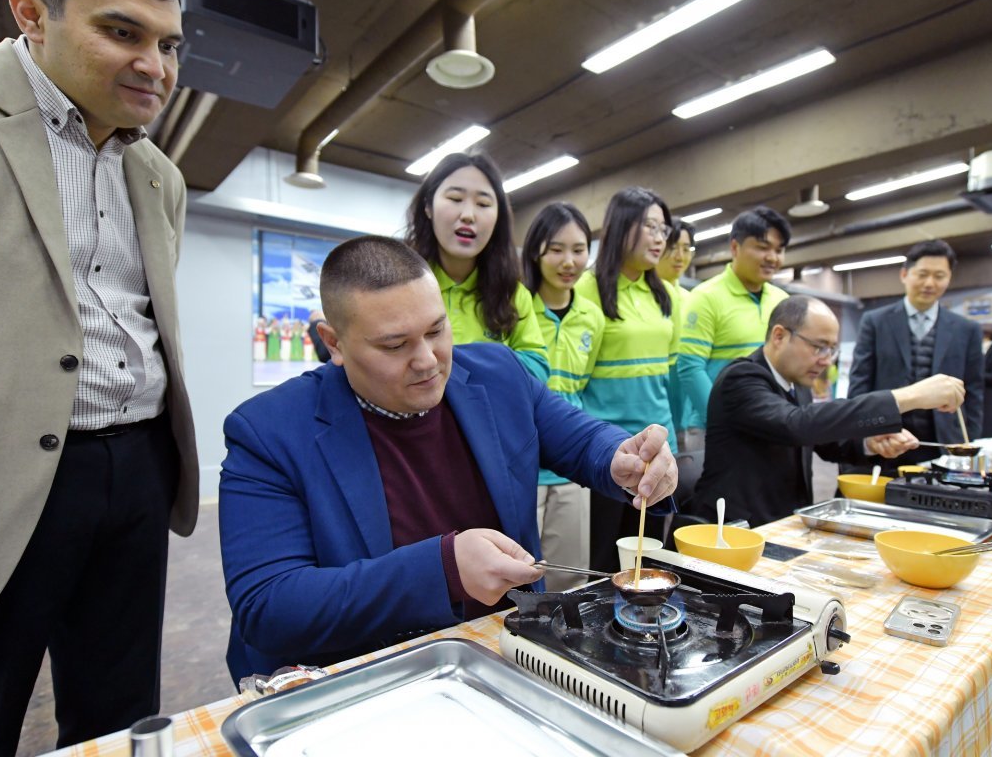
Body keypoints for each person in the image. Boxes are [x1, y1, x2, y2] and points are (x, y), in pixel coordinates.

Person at [0, 0, 199, 754]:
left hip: (136, 470)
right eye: (121, 32)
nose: (156, 66)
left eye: (170, 44)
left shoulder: (159, 175)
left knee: (117, 714)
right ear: (32, 13)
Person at [218, 236, 677, 680]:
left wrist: (623, 456)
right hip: (369, 673)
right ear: (334, 343)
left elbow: (582, 440)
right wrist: (442, 569)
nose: (427, 361)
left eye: (436, 330)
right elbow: (269, 606)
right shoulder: (269, 432)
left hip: (504, 651)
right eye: (394, 346)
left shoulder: (498, 375)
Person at [692, 297, 966, 526]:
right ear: (779, 336)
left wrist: (869, 443)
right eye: (818, 347)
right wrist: (909, 396)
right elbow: (796, 425)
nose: (825, 360)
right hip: (736, 528)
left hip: (785, 521)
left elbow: (820, 438)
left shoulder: (795, 382)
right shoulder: (740, 378)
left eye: (831, 350)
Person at [575, 186, 680, 572]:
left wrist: (676, 435)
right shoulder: (585, 290)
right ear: (621, 227)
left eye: (664, 229)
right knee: (604, 558)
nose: (659, 237)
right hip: (607, 449)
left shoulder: (668, 295)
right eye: (649, 226)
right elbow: (576, 381)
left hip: (656, 448)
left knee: (649, 557)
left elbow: (668, 377)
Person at [520, 202, 606, 591]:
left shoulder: (592, 316)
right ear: (535, 251)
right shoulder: (516, 308)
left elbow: (582, 382)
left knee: (569, 578)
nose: (568, 261)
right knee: (517, 576)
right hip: (521, 463)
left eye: (579, 249)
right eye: (556, 249)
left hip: (570, 467)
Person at [405, 152, 549, 380]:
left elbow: (537, 367)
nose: (468, 215)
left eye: (483, 203)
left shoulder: (511, 293)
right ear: (428, 207)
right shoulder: (398, 284)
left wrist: (458, 361)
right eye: (454, 199)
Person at [847, 239, 984, 470]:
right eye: (922, 274)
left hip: (941, 444)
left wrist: (967, 440)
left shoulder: (966, 329)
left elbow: (975, 392)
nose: (929, 283)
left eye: (939, 276)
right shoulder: (875, 322)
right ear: (904, 275)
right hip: (887, 440)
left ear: (949, 278)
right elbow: (860, 384)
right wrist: (865, 434)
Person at [677, 207, 791, 450]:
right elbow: (689, 368)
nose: (772, 257)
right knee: (719, 490)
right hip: (715, 428)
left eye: (779, 250)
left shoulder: (781, 300)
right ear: (735, 247)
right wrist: (722, 418)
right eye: (762, 247)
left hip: (767, 424)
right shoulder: (706, 297)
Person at [656, 217, 697, 448]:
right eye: (672, 248)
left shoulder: (693, 299)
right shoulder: (644, 299)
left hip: (684, 398)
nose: (679, 256)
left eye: (686, 248)